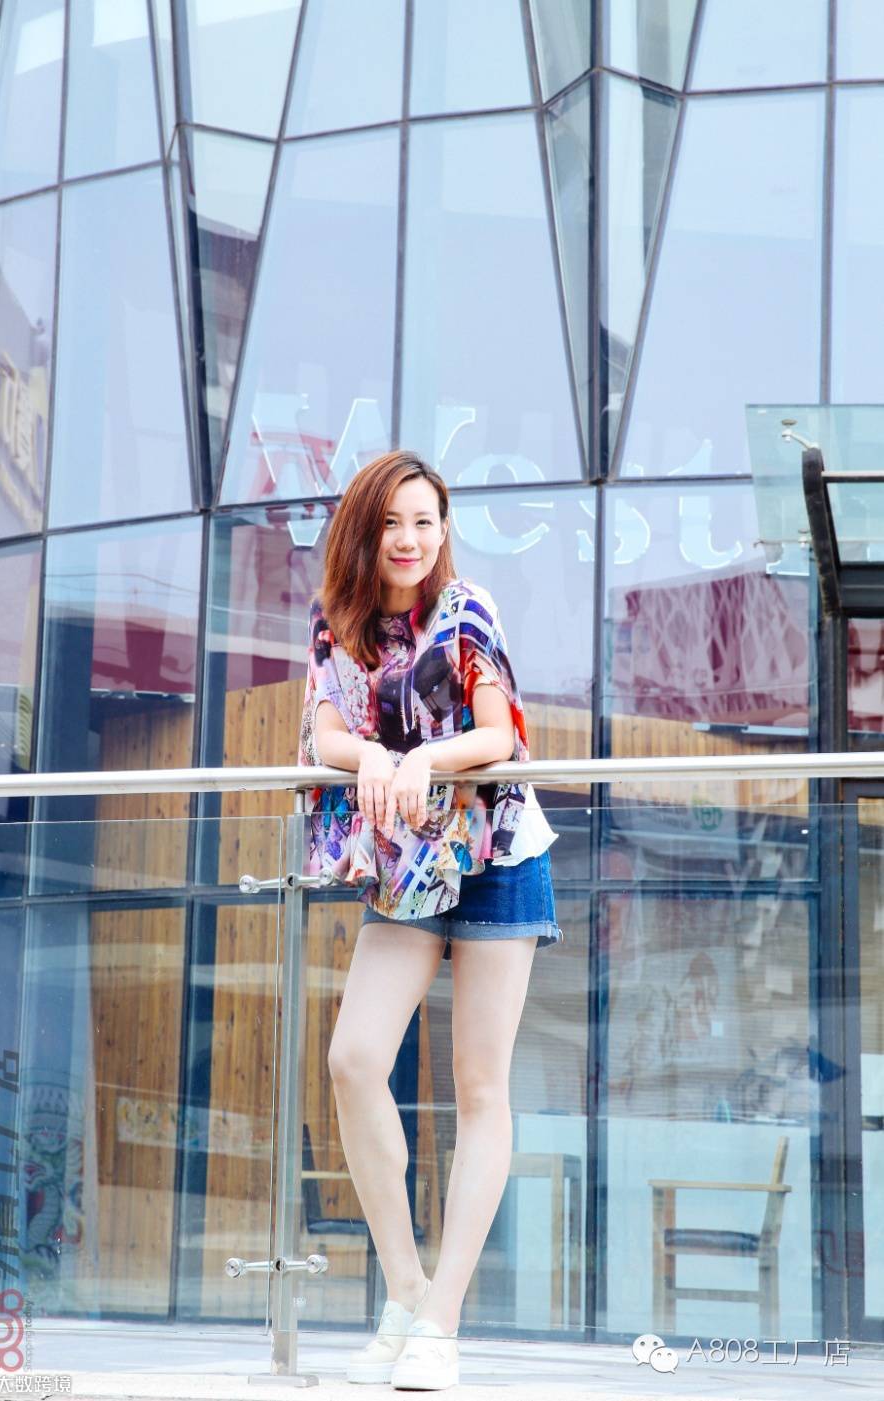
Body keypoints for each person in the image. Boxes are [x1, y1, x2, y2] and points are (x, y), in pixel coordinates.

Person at [297, 450, 563, 1391]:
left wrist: (422, 758)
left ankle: (440, 1321)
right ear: (363, 531)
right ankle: (406, 1292)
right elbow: (324, 732)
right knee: (354, 1058)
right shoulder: (339, 624)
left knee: (479, 1087)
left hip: (496, 853)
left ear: (444, 529)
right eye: (391, 523)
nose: (409, 539)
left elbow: (499, 734)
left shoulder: (465, 610)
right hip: (408, 865)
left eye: (425, 521)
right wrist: (371, 754)